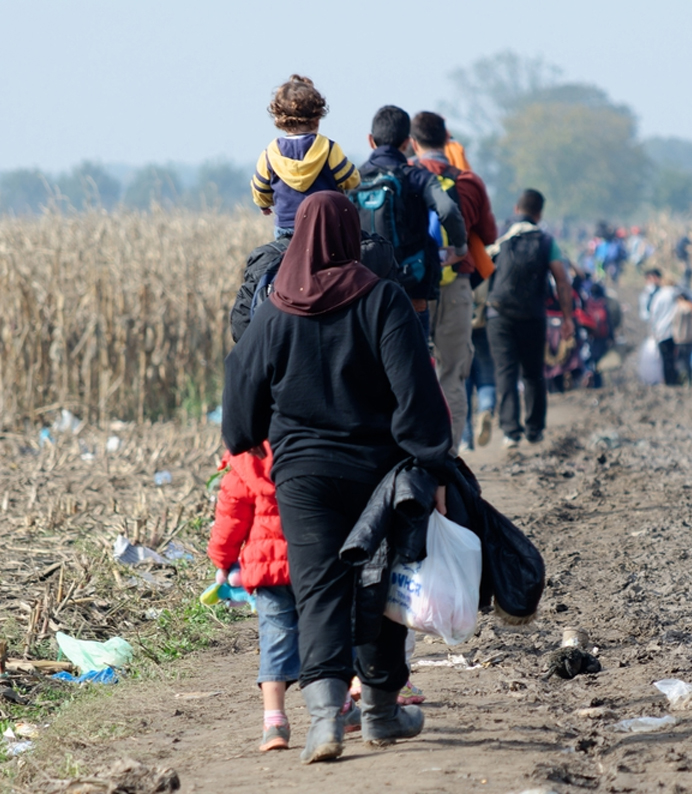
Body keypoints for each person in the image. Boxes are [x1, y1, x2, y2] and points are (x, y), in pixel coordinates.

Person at [222, 192, 453, 764]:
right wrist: (433, 462)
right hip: (378, 473)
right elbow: (416, 391)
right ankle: (378, 711)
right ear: (352, 236)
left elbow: (240, 384)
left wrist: (247, 436)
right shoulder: (383, 301)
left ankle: (326, 720)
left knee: (318, 589)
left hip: (301, 478)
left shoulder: (275, 310)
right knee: (381, 585)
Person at [206, 444, 360, 752]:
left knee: (275, 641)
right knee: (324, 636)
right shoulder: (311, 445)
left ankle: (274, 723)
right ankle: (341, 708)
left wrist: (222, 560)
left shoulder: (244, 460)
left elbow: (229, 519)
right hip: (314, 561)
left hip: (266, 569)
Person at [410, 111, 498, 450]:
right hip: (458, 285)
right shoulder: (469, 182)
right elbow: (489, 234)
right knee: (453, 375)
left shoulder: (405, 178)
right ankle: (448, 458)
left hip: (416, 288)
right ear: (448, 140)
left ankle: (418, 455)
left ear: (413, 142)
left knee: (416, 374)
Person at [354, 106, 467, 340]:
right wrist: (460, 247)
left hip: (364, 287)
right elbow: (447, 209)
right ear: (407, 142)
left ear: (370, 140)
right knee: (414, 362)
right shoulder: (417, 177)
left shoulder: (353, 179)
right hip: (411, 284)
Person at [486, 189, 573, 448]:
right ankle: (534, 429)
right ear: (539, 213)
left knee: (505, 371)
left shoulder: (500, 236)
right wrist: (567, 317)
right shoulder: (547, 241)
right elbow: (562, 280)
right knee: (533, 372)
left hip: (498, 314)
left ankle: (510, 431)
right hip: (533, 314)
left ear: (516, 209)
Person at [250, 75, 360, 237]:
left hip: (287, 225)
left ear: (279, 120)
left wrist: (264, 204)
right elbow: (352, 180)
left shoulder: (270, 153)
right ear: (316, 120)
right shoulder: (328, 148)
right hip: (325, 224)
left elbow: (260, 190)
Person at [461, 276, 496, 452]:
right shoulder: (485, 260)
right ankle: (486, 408)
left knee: (462, 383)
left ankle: (465, 439)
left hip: (459, 328)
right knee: (487, 378)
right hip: (484, 327)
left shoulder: (457, 258)